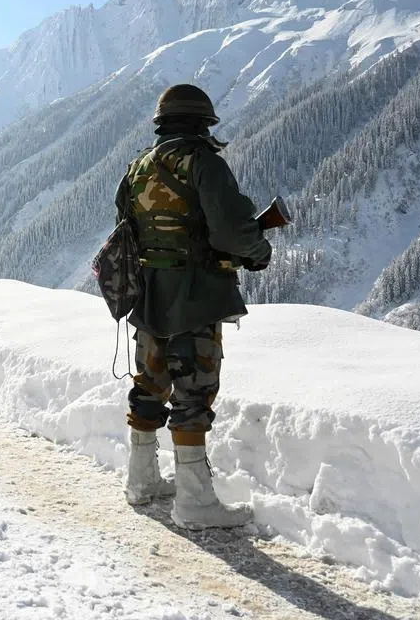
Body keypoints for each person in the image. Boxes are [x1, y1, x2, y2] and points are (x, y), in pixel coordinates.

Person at [116, 83, 271, 530]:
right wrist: (257, 250)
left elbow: (126, 228)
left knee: (149, 383)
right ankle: (195, 503)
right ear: (204, 123)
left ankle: (141, 481)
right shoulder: (205, 164)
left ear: (162, 123)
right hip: (196, 296)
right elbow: (230, 232)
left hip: (147, 294)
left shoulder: (138, 167)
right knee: (194, 391)